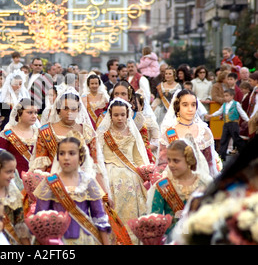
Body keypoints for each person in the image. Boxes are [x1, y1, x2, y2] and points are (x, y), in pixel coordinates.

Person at [33, 133, 111, 245]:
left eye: (71, 153)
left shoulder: (88, 181)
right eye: (62, 153)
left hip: (85, 239)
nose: (66, 158)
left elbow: (99, 216)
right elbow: (40, 218)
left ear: (80, 156)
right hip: (56, 242)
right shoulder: (49, 182)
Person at [96, 98, 150, 244]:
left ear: (127, 115)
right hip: (111, 175)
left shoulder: (132, 132)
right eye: (116, 115)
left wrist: (145, 173)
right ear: (110, 115)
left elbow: (139, 157)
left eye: (122, 114)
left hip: (132, 177)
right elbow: (98, 157)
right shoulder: (103, 133)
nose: (119, 118)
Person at [147, 138, 212, 240]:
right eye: (169, 160)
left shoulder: (205, 184)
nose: (171, 165)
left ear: (189, 160)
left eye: (176, 161)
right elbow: (155, 220)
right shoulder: (163, 186)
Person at [159, 89, 222, 178]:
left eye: (193, 105)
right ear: (178, 106)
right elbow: (162, 164)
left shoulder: (204, 132)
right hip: (174, 182)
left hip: (200, 184)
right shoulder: (169, 133)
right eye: (185, 105)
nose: (190, 109)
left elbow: (210, 165)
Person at [0, 98, 39, 176]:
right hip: (13, 179)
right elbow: (0, 159)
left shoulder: (39, 134)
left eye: (35, 113)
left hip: (35, 178)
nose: (34, 116)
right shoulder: (7, 134)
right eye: (30, 112)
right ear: (19, 113)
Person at [205, 89, 249, 160]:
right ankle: (222, 156)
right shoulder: (224, 105)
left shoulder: (236, 104)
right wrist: (211, 115)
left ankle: (244, 153)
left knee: (237, 139)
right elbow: (219, 112)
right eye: (224, 96)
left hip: (233, 124)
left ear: (232, 96)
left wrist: (248, 120)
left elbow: (242, 112)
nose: (225, 97)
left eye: (227, 96)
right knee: (223, 140)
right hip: (226, 124)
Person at [0, 70, 29, 142]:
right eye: (16, 84)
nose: (18, 86)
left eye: (20, 84)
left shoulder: (24, 95)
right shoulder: (2, 95)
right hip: (5, 124)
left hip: (21, 124)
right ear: (10, 84)